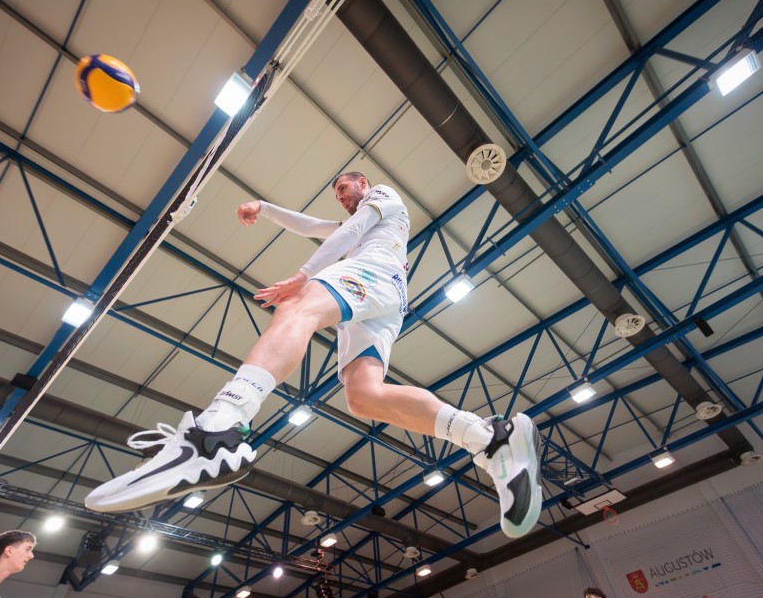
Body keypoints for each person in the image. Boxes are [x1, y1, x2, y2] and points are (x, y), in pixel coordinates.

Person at [86, 172, 543, 538]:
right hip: (386, 300)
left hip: (374, 274)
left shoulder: (383, 196)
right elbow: (310, 226)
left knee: (296, 305)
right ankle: (487, 438)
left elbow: (355, 230)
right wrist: (265, 208)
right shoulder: (354, 222)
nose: (342, 197)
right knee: (363, 396)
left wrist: (304, 275)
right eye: (338, 194)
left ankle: (218, 429)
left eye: (345, 188)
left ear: (363, 184)